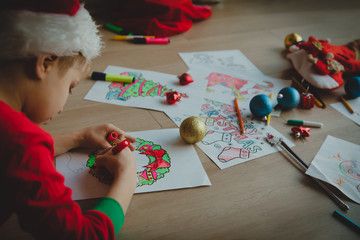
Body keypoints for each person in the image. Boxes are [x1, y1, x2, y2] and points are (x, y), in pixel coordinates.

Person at [0, 0, 137, 239]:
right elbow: (84, 234)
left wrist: (78, 137)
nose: (64, 106)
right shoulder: (22, 144)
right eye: (71, 87)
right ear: (45, 63)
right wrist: (127, 177)